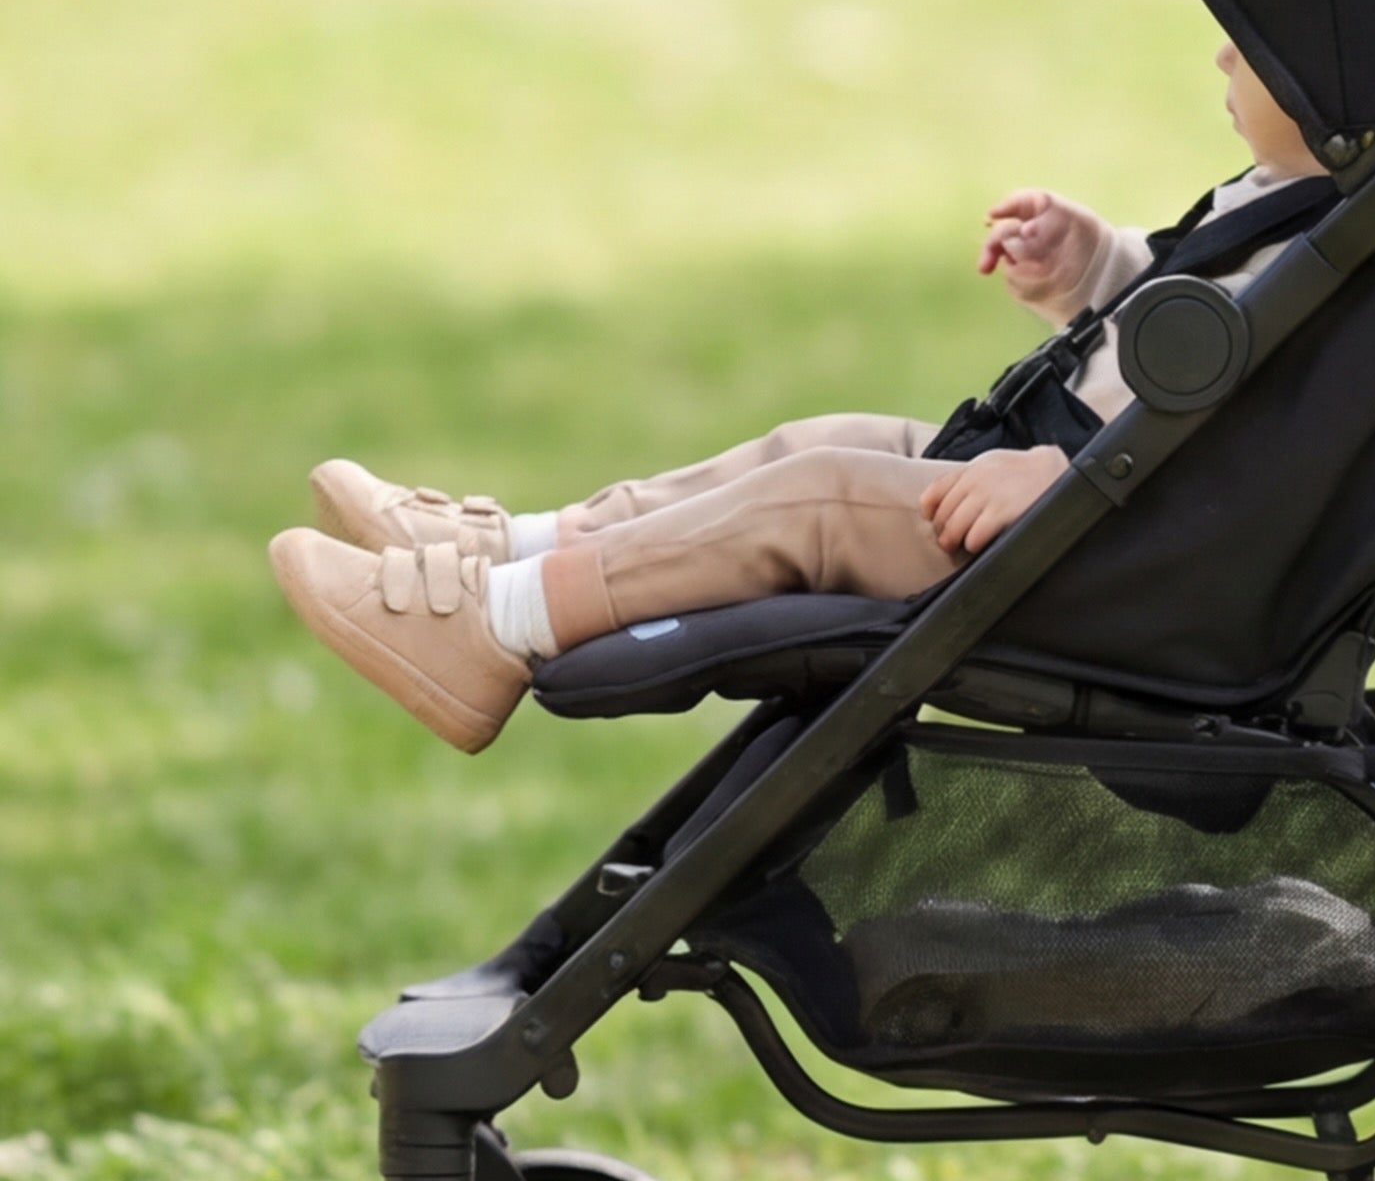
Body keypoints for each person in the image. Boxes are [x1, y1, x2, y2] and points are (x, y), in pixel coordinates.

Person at [266, 41, 1320, 752]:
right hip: (1055, 490)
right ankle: (513, 547)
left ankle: (494, 627)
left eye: (1256, 43)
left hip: (1097, 545)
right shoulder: (1296, 205)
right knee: (818, 444)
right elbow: (1186, 341)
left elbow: (1264, 452)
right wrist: (1092, 266)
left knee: (817, 498)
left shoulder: (1343, 265)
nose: (1223, 53)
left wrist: (1075, 477)